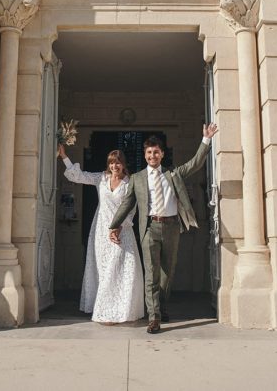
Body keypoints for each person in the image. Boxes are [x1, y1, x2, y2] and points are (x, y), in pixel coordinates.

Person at [109, 123, 218, 334]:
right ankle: (154, 317)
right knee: (151, 274)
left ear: (161, 154)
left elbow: (195, 164)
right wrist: (114, 225)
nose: (152, 156)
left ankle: (161, 305)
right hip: (149, 228)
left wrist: (206, 139)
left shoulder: (173, 174)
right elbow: (127, 204)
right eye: (149, 152)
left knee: (167, 273)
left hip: (171, 228)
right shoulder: (137, 178)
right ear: (145, 154)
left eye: (156, 152)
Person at [58, 144, 144, 324]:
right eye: (112, 163)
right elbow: (79, 176)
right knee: (104, 270)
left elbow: (131, 210)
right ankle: (105, 309)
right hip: (101, 231)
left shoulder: (130, 183)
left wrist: (120, 227)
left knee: (120, 268)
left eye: (118, 163)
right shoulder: (101, 179)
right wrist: (64, 156)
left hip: (122, 230)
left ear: (123, 164)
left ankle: (118, 310)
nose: (114, 166)